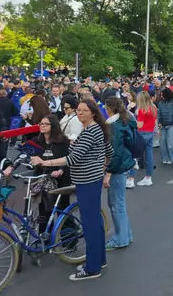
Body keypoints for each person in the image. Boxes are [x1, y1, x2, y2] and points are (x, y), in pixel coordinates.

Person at [31, 100, 113, 281]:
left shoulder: (91, 131)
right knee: (95, 222)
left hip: (87, 181)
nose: (80, 113)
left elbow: (73, 158)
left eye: (84, 110)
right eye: (78, 110)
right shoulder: (94, 129)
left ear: (93, 113)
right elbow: (108, 150)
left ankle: (92, 268)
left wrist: (46, 162)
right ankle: (99, 260)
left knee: (90, 224)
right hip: (91, 179)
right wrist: (102, 167)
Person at [103, 97, 137, 251]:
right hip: (124, 163)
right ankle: (125, 234)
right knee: (118, 204)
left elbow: (114, 152)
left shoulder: (114, 125)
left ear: (109, 108)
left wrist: (108, 172)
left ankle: (121, 238)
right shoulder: (125, 121)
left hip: (118, 167)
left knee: (117, 205)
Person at [134, 91, 157, 187]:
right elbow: (155, 122)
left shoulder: (142, 110)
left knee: (134, 156)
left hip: (142, 132)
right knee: (149, 155)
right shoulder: (153, 108)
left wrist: (133, 122)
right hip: (150, 132)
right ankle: (148, 177)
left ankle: (130, 179)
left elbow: (140, 124)